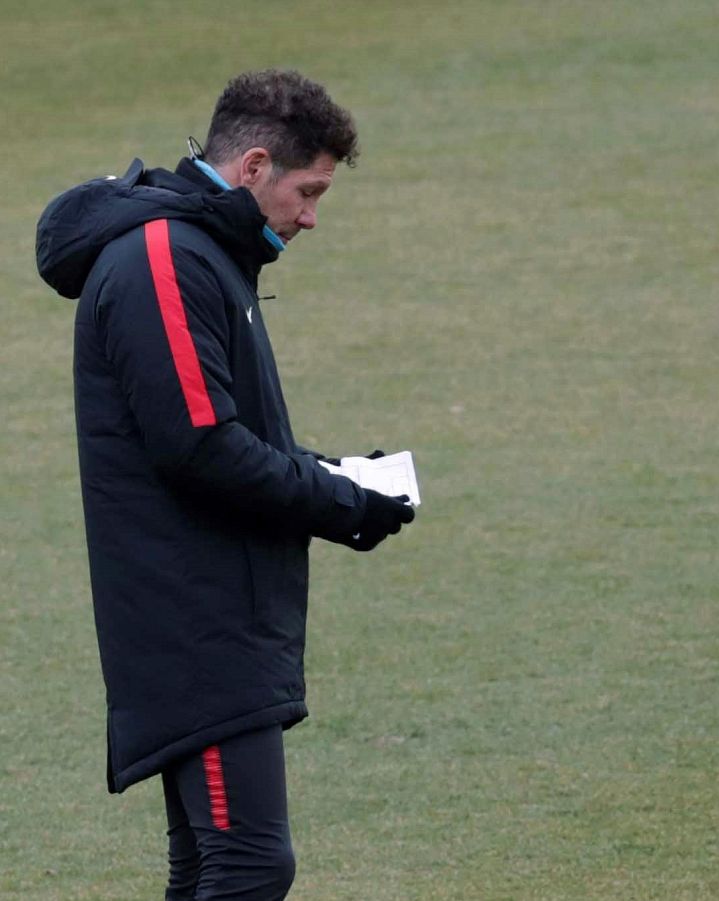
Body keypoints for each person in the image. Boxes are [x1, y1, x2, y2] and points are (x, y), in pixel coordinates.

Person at [35, 69, 416, 900]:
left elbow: (224, 431)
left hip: (207, 616)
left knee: (211, 865)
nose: (312, 215)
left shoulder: (200, 251)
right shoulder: (165, 258)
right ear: (251, 168)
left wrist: (333, 472)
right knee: (247, 864)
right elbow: (201, 449)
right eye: (307, 190)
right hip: (194, 626)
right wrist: (344, 504)